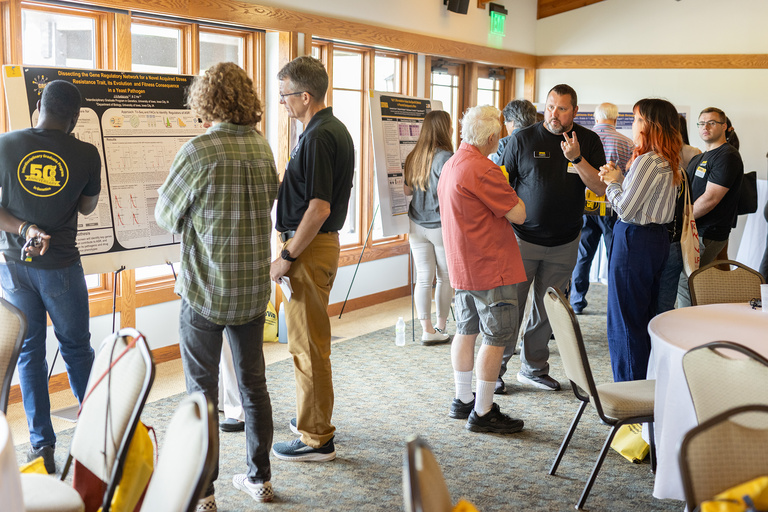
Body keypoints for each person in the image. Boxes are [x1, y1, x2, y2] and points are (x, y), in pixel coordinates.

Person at [155, 62, 279, 508]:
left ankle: (205, 492)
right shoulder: (264, 149)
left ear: (206, 101)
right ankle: (260, 478)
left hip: (204, 290)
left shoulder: (198, 151)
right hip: (250, 289)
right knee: (253, 385)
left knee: (201, 391)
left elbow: (166, 216)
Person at [0, 80, 99, 475]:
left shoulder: (5, 143)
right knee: (76, 349)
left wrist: (26, 228)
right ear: (74, 118)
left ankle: (42, 447)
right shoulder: (86, 153)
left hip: (14, 264)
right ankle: (96, 438)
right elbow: (89, 208)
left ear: (39, 104)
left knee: (28, 353)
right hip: (60, 267)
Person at [270, 56, 354, 462]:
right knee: (308, 343)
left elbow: (318, 208)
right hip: (311, 247)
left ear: (306, 96)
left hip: (307, 249)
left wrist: (287, 254)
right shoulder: (323, 129)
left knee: (307, 347)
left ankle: (316, 437)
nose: (282, 102)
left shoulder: (320, 136)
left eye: (285, 95)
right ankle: (311, 417)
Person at [498, 84, 606, 393]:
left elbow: (599, 189)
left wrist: (576, 158)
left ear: (575, 110)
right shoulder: (522, 139)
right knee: (511, 307)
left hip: (565, 241)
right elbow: (503, 188)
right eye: (550, 107)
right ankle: (496, 369)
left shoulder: (587, 141)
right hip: (522, 240)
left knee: (548, 310)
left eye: (561, 108)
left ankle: (533, 368)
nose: (554, 114)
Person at [437, 105, 527, 434]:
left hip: (463, 265)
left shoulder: (451, 164)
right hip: (491, 266)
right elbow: (519, 214)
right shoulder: (483, 169)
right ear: (490, 138)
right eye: (499, 135)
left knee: (466, 330)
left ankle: (463, 399)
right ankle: (483, 410)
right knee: (496, 336)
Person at [599, 98, 681, 382]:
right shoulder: (667, 159)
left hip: (636, 239)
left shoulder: (648, 160)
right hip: (654, 240)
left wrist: (611, 184)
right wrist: (620, 180)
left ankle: (629, 396)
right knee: (640, 317)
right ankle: (641, 391)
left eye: (635, 119)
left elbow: (625, 209)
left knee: (624, 321)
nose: (631, 125)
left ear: (650, 125)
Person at [675, 107, 744, 308]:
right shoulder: (699, 157)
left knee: (687, 280)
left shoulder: (727, 155)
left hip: (708, 231)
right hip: (695, 228)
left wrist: (682, 222)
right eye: (701, 123)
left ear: (724, 127)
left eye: (711, 122)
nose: (705, 127)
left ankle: (688, 329)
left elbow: (711, 198)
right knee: (688, 279)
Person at [569, 103, 634, 315]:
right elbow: (629, 176)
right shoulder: (627, 143)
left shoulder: (583, 140)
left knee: (583, 255)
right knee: (614, 255)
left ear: (596, 118)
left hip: (585, 204)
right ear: (616, 119)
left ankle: (577, 302)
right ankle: (615, 303)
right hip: (613, 204)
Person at [403, 110, 454, 345]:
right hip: (440, 227)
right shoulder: (446, 158)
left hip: (416, 224)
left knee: (424, 278)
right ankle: (440, 327)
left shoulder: (414, 156)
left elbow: (407, 191)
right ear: (445, 129)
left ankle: (427, 331)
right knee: (445, 277)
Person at [656, 113, 702, 314]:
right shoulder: (693, 152)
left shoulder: (655, 157)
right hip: (678, 227)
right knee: (673, 291)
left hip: (666, 229)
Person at [489, 99, 537, 165]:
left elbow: (496, 172)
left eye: (505, 122)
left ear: (512, 122)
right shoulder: (544, 140)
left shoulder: (502, 145)